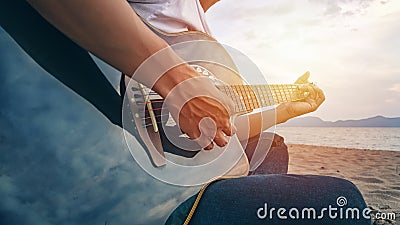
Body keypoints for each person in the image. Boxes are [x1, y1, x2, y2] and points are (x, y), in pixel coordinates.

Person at [0, 0, 371, 224]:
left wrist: (285, 109)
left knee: (271, 147)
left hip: (160, 180)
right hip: (89, 181)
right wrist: (175, 78)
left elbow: (207, 142)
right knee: (343, 204)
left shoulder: (194, 24)